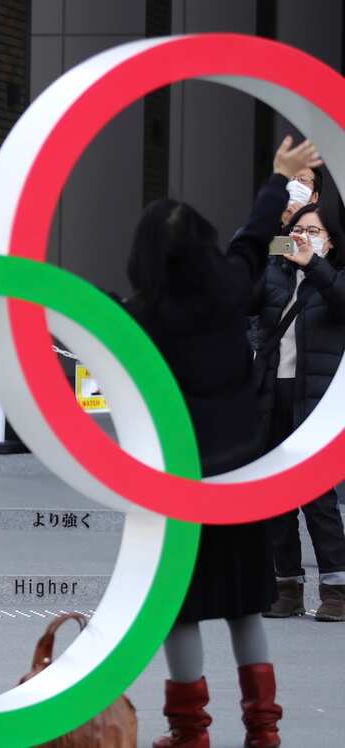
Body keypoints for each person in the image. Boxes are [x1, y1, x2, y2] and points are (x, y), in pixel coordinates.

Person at [126, 136, 321, 748]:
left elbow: (77, 315)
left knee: (179, 608)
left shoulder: (142, 317)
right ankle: (264, 731)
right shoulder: (233, 290)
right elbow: (248, 240)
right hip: (241, 482)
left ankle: (190, 733)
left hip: (180, 487)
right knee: (243, 605)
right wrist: (278, 179)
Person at [254, 202, 345, 623]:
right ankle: (285, 586)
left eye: (315, 231)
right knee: (275, 494)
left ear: (331, 240)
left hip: (318, 398)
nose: (305, 238)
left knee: (317, 496)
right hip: (274, 393)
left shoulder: (334, 277)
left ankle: (337, 590)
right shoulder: (277, 272)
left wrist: (316, 267)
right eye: (298, 230)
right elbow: (246, 300)